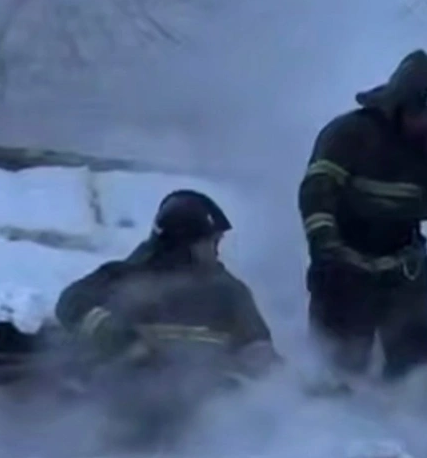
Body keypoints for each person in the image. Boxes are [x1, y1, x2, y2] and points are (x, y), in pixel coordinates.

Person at [298, 49, 427, 382]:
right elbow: (316, 192)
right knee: (337, 368)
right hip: (344, 261)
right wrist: (324, 245)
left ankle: (408, 426)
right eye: (418, 114)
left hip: (404, 268)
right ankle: (328, 427)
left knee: (414, 370)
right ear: (397, 106)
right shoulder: (349, 135)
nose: (426, 124)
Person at [54, 189, 280, 451]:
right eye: (210, 243)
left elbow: (258, 350)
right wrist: (119, 340)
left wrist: (275, 371)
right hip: (123, 413)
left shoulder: (230, 292)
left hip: (205, 425)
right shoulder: (121, 278)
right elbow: (71, 303)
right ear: (182, 244)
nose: (217, 253)